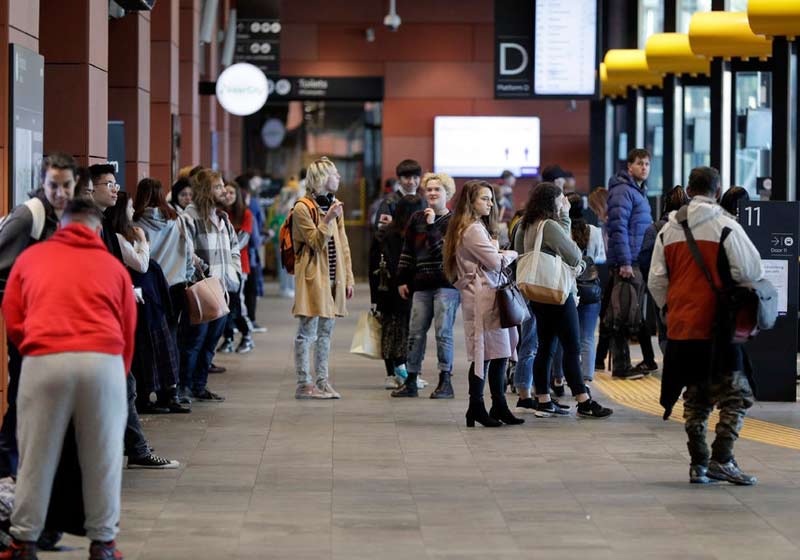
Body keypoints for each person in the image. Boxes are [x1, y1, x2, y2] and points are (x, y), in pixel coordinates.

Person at [0, 199, 135, 560]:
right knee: (103, 457)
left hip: (45, 359)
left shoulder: (31, 258)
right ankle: (103, 544)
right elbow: (128, 328)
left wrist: (34, 350)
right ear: (96, 229)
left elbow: (12, 314)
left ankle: (24, 542)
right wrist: (115, 377)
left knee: (35, 456)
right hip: (102, 361)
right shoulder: (112, 265)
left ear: (62, 225)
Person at [648, 166, 763, 485]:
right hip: (718, 327)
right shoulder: (726, 225)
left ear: (689, 188)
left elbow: (656, 280)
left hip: (682, 326)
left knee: (696, 396)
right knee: (737, 394)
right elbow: (750, 270)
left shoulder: (669, 229)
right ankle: (722, 459)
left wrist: (671, 309)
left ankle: (698, 462)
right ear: (717, 190)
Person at [90, 165, 180, 469]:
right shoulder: (89, 228)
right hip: (93, 322)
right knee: (121, 386)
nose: (115, 189)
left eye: (116, 185)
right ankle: (131, 449)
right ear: (90, 189)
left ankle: (130, 448)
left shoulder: (105, 228)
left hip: (111, 317)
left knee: (124, 385)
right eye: (109, 184)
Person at [0, 152, 78, 480]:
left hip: (60, 327)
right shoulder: (28, 215)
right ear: (42, 183)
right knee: (23, 398)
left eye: (66, 185)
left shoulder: (72, 218)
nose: (60, 192)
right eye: (52, 185)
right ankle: (8, 473)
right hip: (30, 329)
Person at [515, 183, 612, 418]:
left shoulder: (523, 225)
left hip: (535, 291)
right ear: (552, 202)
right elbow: (574, 253)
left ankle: (544, 400)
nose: (563, 204)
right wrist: (565, 217)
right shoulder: (549, 225)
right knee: (572, 346)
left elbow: (519, 254)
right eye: (560, 200)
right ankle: (583, 400)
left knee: (544, 346)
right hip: (557, 293)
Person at [443, 180, 523, 427]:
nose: (490, 203)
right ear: (471, 202)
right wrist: (510, 254)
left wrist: (499, 254)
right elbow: (495, 262)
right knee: (486, 355)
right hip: (483, 297)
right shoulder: (473, 229)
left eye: (491, 198)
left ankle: (494, 405)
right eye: (484, 199)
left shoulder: (472, 227)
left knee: (496, 353)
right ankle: (478, 406)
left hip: (487, 294)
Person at [292, 157, 355, 399]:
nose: (338, 177)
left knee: (326, 334)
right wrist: (328, 219)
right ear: (321, 178)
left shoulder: (335, 205)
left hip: (333, 279)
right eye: (334, 173)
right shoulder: (302, 207)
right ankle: (303, 383)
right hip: (311, 277)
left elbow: (344, 245)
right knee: (307, 332)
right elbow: (316, 242)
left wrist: (348, 278)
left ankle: (322, 380)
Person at [395, 172, 460, 398]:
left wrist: (432, 226)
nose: (432, 193)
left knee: (443, 333)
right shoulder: (416, 218)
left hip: (446, 284)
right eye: (429, 190)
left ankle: (445, 381)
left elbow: (443, 253)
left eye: (437, 190)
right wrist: (402, 279)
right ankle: (411, 380)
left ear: (447, 194)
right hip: (421, 284)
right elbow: (408, 251)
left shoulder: (454, 221)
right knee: (415, 333)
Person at [180, 168, 241, 402]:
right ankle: (183, 387)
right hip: (202, 289)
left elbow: (234, 247)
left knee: (210, 344)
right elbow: (186, 251)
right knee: (193, 342)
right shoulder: (190, 217)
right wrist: (203, 270)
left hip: (223, 290)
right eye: (217, 186)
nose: (223, 190)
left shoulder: (223, 218)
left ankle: (199, 386)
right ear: (206, 191)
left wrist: (233, 273)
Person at [604, 148, 656, 378]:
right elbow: (618, 228)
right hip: (628, 262)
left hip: (637, 260)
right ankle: (622, 367)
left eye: (647, 163)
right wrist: (625, 262)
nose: (644, 167)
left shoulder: (637, 192)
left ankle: (627, 365)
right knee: (622, 315)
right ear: (629, 167)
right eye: (640, 163)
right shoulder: (624, 191)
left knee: (629, 313)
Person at [369, 195, 424, 397]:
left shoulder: (385, 233)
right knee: (403, 332)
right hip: (403, 291)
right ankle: (405, 374)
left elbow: (372, 267)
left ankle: (400, 373)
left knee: (393, 333)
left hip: (387, 292)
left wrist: (374, 297)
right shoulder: (403, 235)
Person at [639, 186, 690, 353]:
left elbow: (645, 261)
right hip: (690, 288)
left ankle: (672, 367)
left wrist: (653, 287)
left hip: (663, 289)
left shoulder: (654, 229)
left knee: (666, 332)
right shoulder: (695, 228)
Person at [218, 181, 255, 354]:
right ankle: (229, 338)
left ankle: (247, 336)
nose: (228, 195)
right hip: (221, 266)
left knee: (237, 303)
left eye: (232, 193)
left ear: (238, 195)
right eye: (226, 192)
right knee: (224, 304)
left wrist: (225, 251)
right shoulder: (219, 213)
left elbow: (243, 240)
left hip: (240, 266)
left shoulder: (246, 214)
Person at [374, 159, 423, 230]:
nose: (411, 182)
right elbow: (382, 231)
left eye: (415, 177)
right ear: (399, 180)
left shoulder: (423, 201)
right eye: (407, 178)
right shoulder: (389, 202)